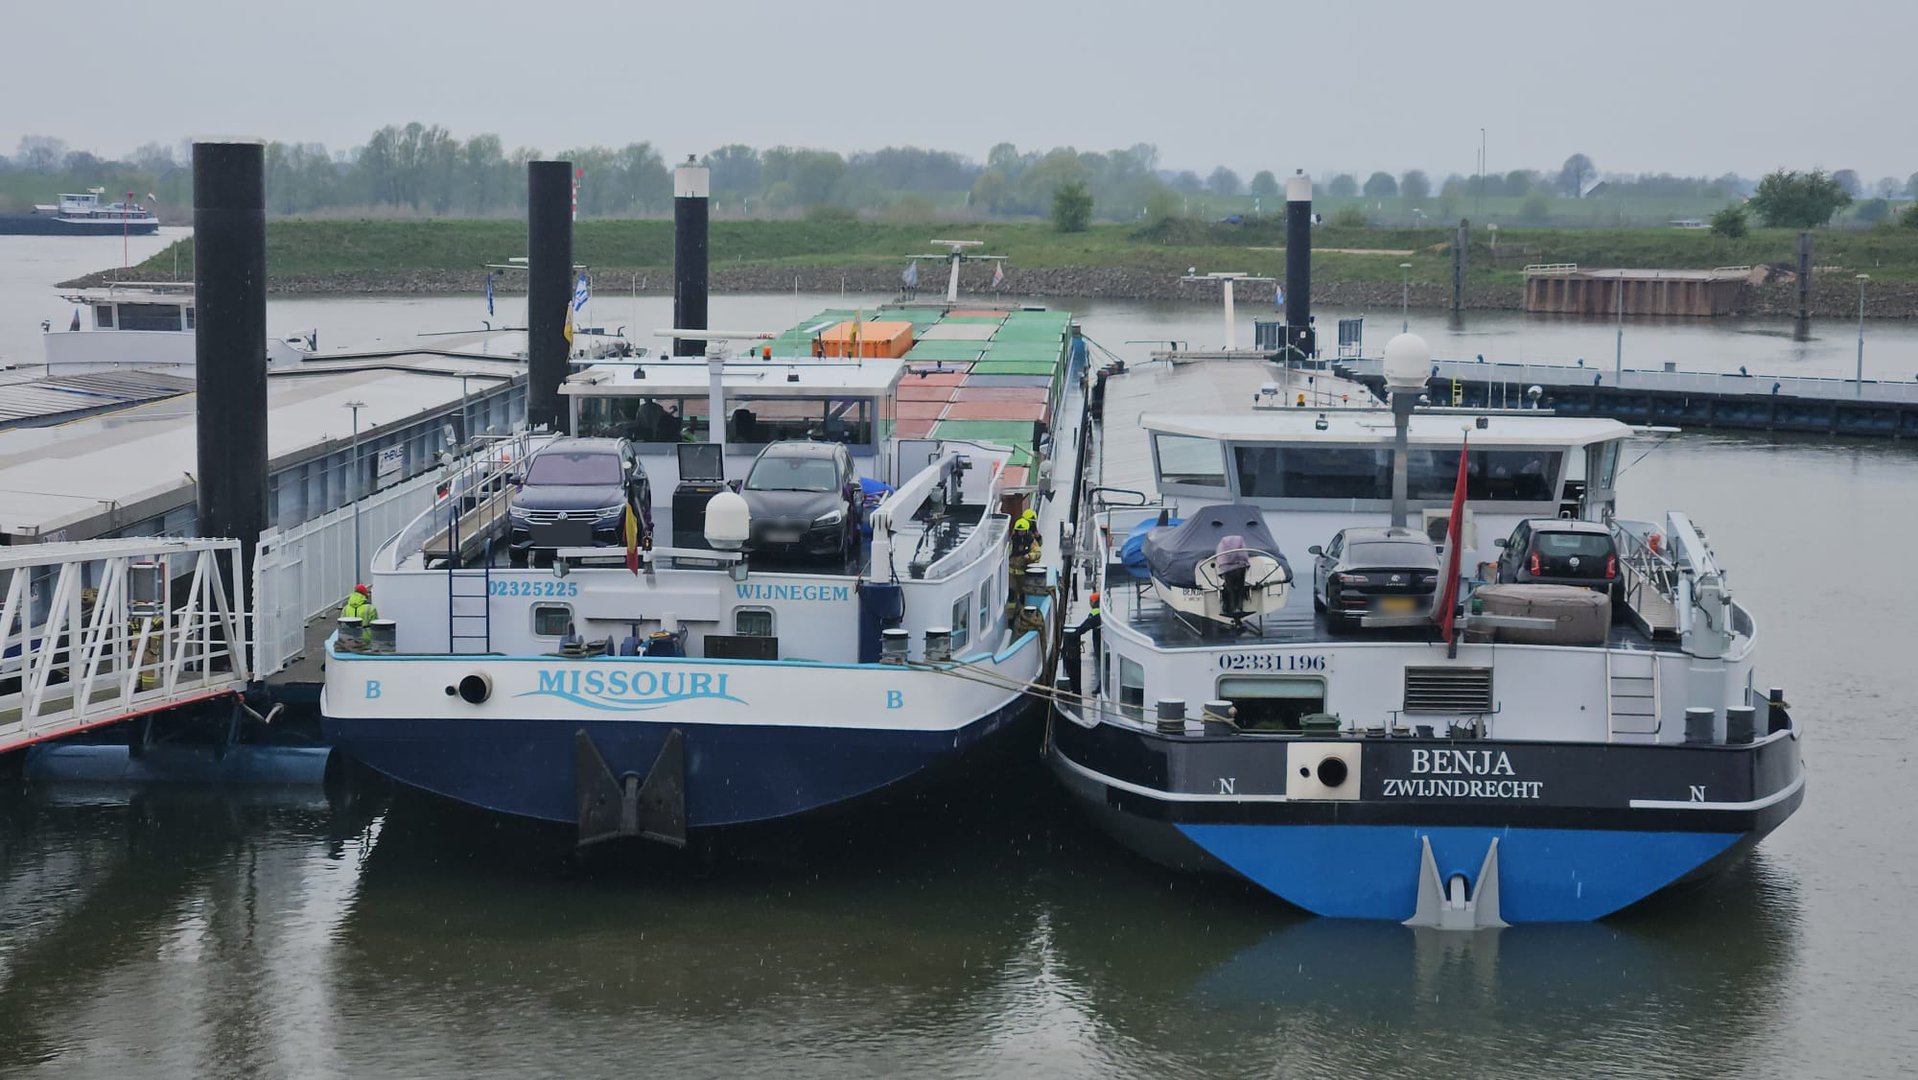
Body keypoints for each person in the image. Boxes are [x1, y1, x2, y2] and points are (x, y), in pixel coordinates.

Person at [1214, 535, 1251, 618]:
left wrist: (1222, 568)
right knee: (1240, 588)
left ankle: (1232, 607)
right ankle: (1239, 607)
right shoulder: (1240, 540)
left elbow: (1220, 558)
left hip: (1226, 567)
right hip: (1240, 566)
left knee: (1231, 589)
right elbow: (1244, 555)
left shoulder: (1222, 543)